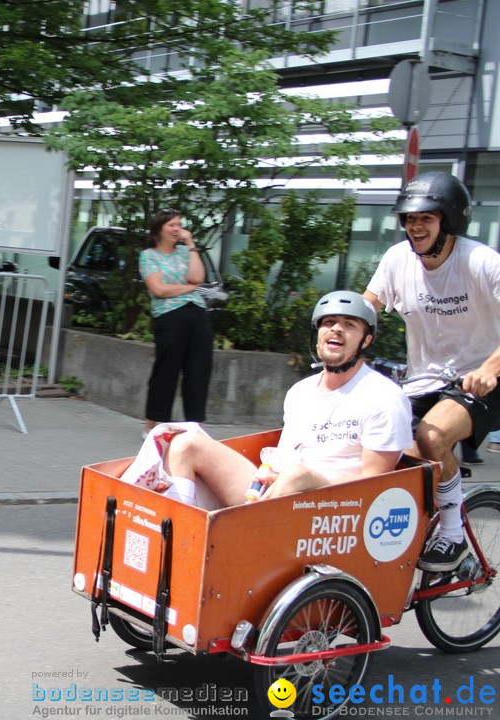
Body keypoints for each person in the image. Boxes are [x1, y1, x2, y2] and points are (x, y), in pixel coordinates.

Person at [152, 291, 413, 508]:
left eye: (349, 324)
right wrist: (270, 472)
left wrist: (307, 480)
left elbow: (374, 483)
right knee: (186, 442)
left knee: (296, 474)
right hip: (279, 494)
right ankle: (182, 532)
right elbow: (285, 455)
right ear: (318, 333)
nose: (336, 329)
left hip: (335, 509)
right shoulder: (300, 392)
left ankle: (240, 532)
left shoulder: (384, 396)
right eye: (328, 321)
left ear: (366, 340)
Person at [364, 171, 500, 572]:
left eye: (426, 218)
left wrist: (489, 369)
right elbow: (370, 302)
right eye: (409, 218)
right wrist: (342, 325)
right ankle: (408, 536)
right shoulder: (397, 259)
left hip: (485, 380)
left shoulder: (481, 262)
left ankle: (454, 535)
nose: (415, 226)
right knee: (386, 453)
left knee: (432, 435)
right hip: (425, 380)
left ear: (449, 220)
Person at [139, 208, 213, 434]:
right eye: (171, 225)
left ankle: (195, 426)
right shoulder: (148, 256)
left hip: (197, 314)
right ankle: (153, 424)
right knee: (165, 372)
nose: (176, 229)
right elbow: (159, 289)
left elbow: (198, 277)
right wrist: (190, 289)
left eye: (179, 225)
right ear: (159, 228)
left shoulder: (184, 252)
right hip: (169, 316)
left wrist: (190, 244)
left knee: (199, 371)